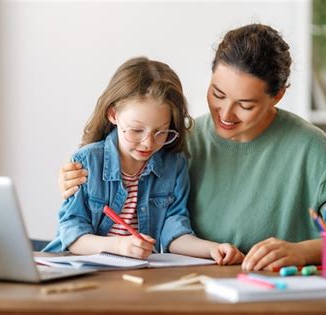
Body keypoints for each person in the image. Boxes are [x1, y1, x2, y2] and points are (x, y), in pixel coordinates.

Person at [57, 24, 326, 271]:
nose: (225, 114)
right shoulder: (175, 139)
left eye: (245, 104)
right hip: (190, 294)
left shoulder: (311, 149)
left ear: (277, 97)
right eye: (217, 94)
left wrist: (304, 251)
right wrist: (75, 180)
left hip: (276, 295)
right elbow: (122, 180)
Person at [44, 57, 244, 265]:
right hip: (77, 269)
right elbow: (72, 235)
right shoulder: (87, 162)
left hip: (136, 275)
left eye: (160, 132)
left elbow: (174, 232)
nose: (148, 143)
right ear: (113, 114)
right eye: (137, 130)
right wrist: (119, 246)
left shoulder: (174, 165)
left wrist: (212, 248)